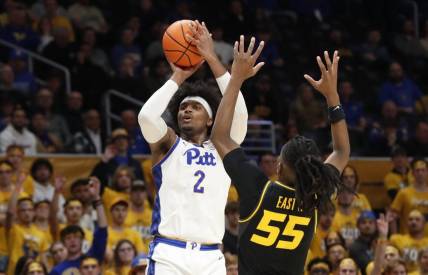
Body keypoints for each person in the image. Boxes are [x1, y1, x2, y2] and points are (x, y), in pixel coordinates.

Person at [210, 33, 350, 274]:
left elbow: (219, 137)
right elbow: (342, 150)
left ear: (280, 167)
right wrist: (332, 97)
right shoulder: (315, 196)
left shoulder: (259, 188)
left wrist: (236, 80)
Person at [137, 21, 248, 274]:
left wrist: (212, 60)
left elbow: (240, 116)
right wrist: (178, 76)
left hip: (210, 257)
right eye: (183, 107)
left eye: (195, 107)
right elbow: (146, 117)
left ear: (210, 119)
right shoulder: (168, 143)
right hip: (169, 253)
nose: (186, 109)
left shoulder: (222, 149)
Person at [49, 177, 107, 275]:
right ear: (63, 243)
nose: (73, 241)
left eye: (76, 237)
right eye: (68, 238)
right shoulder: (57, 271)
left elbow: (102, 230)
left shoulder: (92, 258)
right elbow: (52, 218)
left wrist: (97, 198)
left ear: (82, 240)